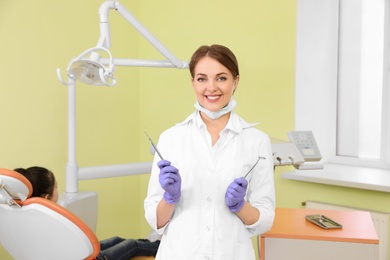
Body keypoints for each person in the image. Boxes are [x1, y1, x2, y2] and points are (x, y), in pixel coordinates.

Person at [144, 44, 275, 259]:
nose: (211, 87)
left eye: (221, 78)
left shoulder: (257, 141)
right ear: (193, 82)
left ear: (236, 81)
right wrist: (170, 198)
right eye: (202, 78)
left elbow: (265, 219)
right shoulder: (171, 138)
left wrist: (240, 206)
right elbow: (156, 221)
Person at [14, 166, 160, 260]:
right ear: (46, 197)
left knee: (117, 239)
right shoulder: (49, 221)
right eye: (56, 187)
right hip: (91, 258)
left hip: (80, 254)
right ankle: (161, 245)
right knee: (132, 245)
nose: (59, 190)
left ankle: (151, 243)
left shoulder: (28, 217)